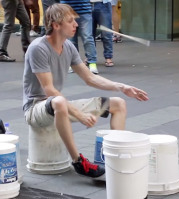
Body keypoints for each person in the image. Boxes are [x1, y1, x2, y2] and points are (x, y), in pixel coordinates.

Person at [23, 4, 149, 179]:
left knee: (118, 104)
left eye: (75, 20)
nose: (76, 24)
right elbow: (49, 90)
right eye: (70, 20)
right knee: (58, 101)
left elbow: (90, 78)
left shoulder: (68, 47)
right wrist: (80, 115)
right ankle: (78, 161)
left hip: (57, 106)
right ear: (56, 25)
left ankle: (114, 160)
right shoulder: (39, 47)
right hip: (35, 109)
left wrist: (122, 87)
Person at [60, 0, 99, 74]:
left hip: (84, 10)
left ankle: (92, 63)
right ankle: (72, 63)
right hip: (67, 10)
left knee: (87, 37)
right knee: (70, 39)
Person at [91, 0, 114, 67]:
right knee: (89, 34)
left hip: (103, 3)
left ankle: (108, 57)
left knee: (106, 34)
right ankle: (90, 57)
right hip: (88, 4)